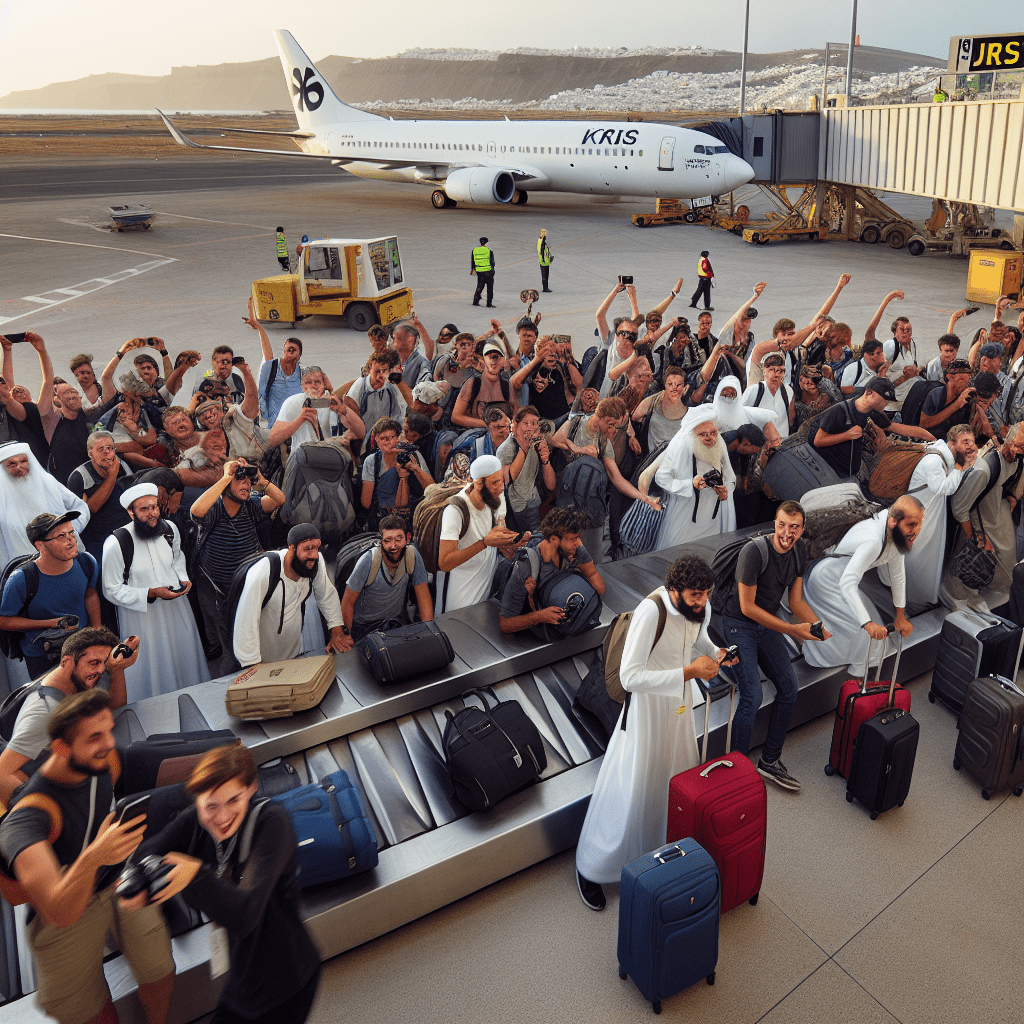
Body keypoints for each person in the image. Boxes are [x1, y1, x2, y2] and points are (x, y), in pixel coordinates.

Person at [0, 688, 174, 1024]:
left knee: (159, 969)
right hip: (68, 898)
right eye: (96, 736)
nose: (108, 742)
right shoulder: (26, 817)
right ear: (61, 748)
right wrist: (93, 856)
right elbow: (48, 907)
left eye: (109, 731)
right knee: (83, 1009)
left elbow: (140, 762)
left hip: (116, 874)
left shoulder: (101, 760)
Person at [574, 555, 733, 909]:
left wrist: (716, 652)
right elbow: (630, 677)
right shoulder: (651, 611)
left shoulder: (698, 607)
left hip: (677, 708)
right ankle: (592, 866)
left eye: (706, 594)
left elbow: (698, 638)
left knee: (673, 781)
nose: (702, 602)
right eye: (695, 595)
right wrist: (690, 672)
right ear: (674, 589)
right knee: (632, 786)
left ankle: (658, 854)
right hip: (646, 713)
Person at [129, 743, 320, 1024]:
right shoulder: (196, 821)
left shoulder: (272, 824)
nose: (221, 817)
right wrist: (137, 882)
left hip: (287, 983)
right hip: (243, 982)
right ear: (197, 801)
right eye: (211, 806)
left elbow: (244, 913)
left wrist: (195, 875)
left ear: (251, 788)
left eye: (234, 801)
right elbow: (149, 852)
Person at [720, 501, 833, 792]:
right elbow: (746, 607)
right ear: (775, 523)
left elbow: (795, 602)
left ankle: (769, 761)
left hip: (767, 624)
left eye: (794, 527)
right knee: (752, 695)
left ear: (801, 529)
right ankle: (737, 768)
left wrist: (818, 626)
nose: (787, 532)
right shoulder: (754, 552)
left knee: (789, 687)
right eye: (782, 525)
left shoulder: (799, 552)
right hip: (739, 624)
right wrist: (792, 630)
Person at [0, 627, 134, 806]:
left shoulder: (71, 680)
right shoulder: (45, 712)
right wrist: (52, 815)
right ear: (66, 662)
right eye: (94, 663)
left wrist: (116, 668)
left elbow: (115, 704)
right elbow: (2, 772)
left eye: (105, 663)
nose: (101, 670)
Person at [101, 483, 209, 701]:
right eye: (144, 509)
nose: (152, 514)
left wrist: (183, 579)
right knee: (152, 662)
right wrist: (150, 593)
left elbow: (177, 559)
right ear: (131, 512)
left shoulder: (169, 528)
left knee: (183, 653)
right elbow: (110, 590)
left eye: (154, 507)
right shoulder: (116, 542)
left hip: (176, 607)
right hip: (142, 617)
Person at [801, 495, 923, 670]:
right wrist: (867, 624)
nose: (917, 531)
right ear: (893, 522)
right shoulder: (873, 541)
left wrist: (901, 617)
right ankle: (850, 677)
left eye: (920, 523)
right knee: (862, 636)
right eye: (911, 525)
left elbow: (897, 576)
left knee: (870, 639)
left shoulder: (896, 538)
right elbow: (847, 583)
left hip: (840, 580)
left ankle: (860, 677)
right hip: (826, 582)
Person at [191, 458, 284, 672]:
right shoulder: (214, 508)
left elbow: (279, 499)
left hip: (247, 583)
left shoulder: (251, 505)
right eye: (240, 480)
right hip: (217, 588)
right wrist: (225, 477)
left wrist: (262, 480)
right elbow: (196, 511)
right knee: (229, 644)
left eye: (249, 482)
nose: (246, 486)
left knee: (251, 631)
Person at [550, 397, 662, 558]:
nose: (614, 430)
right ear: (604, 418)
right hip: (566, 499)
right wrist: (578, 449)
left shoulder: (604, 442)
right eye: (612, 424)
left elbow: (617, 478)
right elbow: (554, 442)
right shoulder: (574, 424)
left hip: (590, 504)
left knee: (590, 555)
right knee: (562, 551)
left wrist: (644, 498)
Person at [0, 511, 101, 679]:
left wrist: (97, 632)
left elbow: (90, 594)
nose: (71, 540)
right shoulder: (22, 579)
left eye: (71, 533)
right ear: (40, 545)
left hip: (82, 646)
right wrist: (52, 623)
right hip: (43, 657)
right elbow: (4, 620)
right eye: (61, 536)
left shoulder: (86, 563)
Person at [232, 523, 346, 668]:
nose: (315, 555)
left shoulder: (315, 563)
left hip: (293, 654)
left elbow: (326, 595)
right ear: (292, 548)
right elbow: (246, 621)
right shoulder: (263, 572)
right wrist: (252, 664)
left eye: (317, 548)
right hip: (262, 660)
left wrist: (336, 630)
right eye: (308, 549)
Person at [946, 424, 1024, 611]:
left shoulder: (1017, 460)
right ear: (1008, 439)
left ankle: (988, 592)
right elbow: (959, 508)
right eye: (1018, 445)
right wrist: (977, 537)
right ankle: (959, 596)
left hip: (996, 509)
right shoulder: (985, 469)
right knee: (971, 559)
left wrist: (1013, 496)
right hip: (977, 519)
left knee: (1006, 556)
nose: (1018, 451)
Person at [900, 425, 976, 613]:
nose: (970, 447)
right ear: (952, 440)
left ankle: (919, 597)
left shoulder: (941, 454)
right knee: (918, 556)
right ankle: (912, 600)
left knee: (926, 556)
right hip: (921, 516)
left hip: (929, 512)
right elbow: (943, 488)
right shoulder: (935, 461)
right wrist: (961, 467)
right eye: (965, 442)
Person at [639, 406, 735, 548]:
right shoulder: (681, 445)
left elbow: (730, 476)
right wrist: (689, 484)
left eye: (713, 432)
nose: (710, 438)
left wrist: (725, 490)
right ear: (692, 434)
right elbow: (661, 477)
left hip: (713, 520)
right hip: (684, 519)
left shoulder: (719, 443)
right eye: (703, 434)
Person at [498, 508, 605, 634]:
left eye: (578, 538)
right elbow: (505, 624)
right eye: (573, 539)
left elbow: (599, 587)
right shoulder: (526, 567)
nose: (579, 543)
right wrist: (539, 616)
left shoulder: (575, 550)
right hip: (500, 580)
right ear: (554, 539)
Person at [435, 455, 519, 613]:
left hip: (484, 594)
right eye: (495, 482)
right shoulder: (455, 511)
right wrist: (484, 543)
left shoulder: (493, 495)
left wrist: (511, 542)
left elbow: (496, 529)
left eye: (501, 480)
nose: (501, 487)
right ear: (479, 483)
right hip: (459, 599)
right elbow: (444, 562)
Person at [810, 378, 933, 479]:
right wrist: (847, 435)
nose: (886, 404)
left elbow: (898, 428)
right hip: (832, 472)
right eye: (884, 399)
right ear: (869, 393)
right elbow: (819, 440)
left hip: (852, 472)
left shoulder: (874, 414)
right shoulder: (839, 411)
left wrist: (929, 437)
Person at [341, 514, 433, 640]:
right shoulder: (368, 560)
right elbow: (348, 601)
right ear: (381, 542)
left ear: (407, 538)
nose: (393, 546)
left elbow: (423, 594)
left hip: (395, 622)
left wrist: (429, 629)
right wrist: (346, 635)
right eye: (388, 540)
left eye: (398, 539)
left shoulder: (412, 555)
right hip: (364, 627)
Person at [0, 442, 89, 568]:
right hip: (23, 571)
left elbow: (81, 507)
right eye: (12, 464)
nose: (20, 467)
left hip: (64, 562)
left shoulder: (47, 482)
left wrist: (68, 530)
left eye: (24, 461)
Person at [66, 431, 134, 573]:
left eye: (110, 448)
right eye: (101, 449)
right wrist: (112, 476)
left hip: (124, 529)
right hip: (96, 538)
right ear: (91, 453)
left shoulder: (124, 467)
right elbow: (89, 509)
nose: (106, 453)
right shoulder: (79, 477)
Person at [360, 417, 433, 525]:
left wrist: (415, 469)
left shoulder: (412, 454)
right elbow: (366, 502)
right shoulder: (372, 461)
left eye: (389, 438)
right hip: (382, 519)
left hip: (412, 516)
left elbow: (432, 488)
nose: (385, 442)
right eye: (381, 438)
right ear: (375, 439)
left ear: (398, 438)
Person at [497, 406, 556, 534]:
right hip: (514, 507)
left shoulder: (536, 444)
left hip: (533, 502)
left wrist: (545, 460)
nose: (530, 427)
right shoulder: (506, 448)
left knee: (534, 537)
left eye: (534, 423)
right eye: (526, 423)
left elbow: (551, 485)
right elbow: (506, 480)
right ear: (515, 425)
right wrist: (523, 447)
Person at [270, 367, 347, 451]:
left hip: (331, 453)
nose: (313, 386)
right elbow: (273, 438)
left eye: (317, 382)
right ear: (303, 387)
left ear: (324, 385)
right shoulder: (293, 402)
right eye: (308, 382)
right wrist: (300, 419)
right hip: (302, 455)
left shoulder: (333, 402)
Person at [344, 349, 406, 443]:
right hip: (363, 439)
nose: (380, 376)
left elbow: (400, 414)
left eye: (384, 371)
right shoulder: (361, 385)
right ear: (370, 367)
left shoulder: (392, 387)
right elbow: (350, 415)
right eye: (377, 371)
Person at [743, 352, 796, 439]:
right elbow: (742, 416)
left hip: (782, 443)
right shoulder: (753, 390)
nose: (775, 375)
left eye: (780, 371)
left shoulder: (788, 391)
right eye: (771, 370)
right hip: (760, 444)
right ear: (764, 372)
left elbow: (791, 418)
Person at [190, 345, 246, 410]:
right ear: (213, 362)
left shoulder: (237, 379)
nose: (223, 366)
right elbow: (194, 408)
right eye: (219, 362)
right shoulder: (203, 379)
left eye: (227, 362)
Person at [471, 236, 496, 307]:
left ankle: (475, 301)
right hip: (488, 272)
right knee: (489, 288)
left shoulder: (475, 250)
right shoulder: (489, 250)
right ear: (486, 243)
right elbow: (492, 262)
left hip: (479, 271)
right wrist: (492, 271)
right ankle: (489, 303)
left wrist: (473, 269)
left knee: (479, 287)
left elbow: (473, 261)